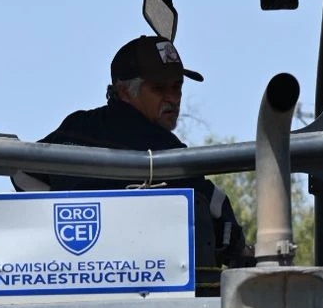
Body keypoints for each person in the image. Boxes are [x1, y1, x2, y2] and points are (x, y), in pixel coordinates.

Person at [19, 35, 251, 294]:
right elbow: (218, 210)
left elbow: (21, 174)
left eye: (177, 87)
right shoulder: (165, 149)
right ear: (124, 92)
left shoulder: (76, 128)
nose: (173, 99)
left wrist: (58, 206)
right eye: (159, 89)